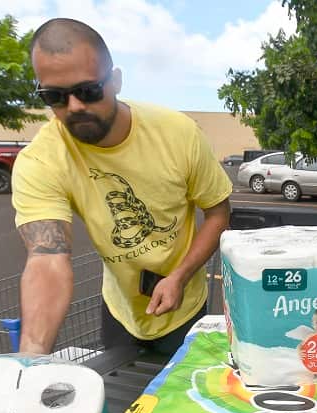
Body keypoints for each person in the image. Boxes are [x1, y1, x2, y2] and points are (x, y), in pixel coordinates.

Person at [12, 18, 232, 357]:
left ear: (114, 80)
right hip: (120, 310)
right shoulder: (41, 159)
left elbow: (218, 213)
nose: (74, 107)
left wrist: (180, 277)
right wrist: (31, 356)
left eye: (88, 91)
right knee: (125, 401)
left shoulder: (177, 132)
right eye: (54, 96)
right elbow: (46, 259)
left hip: (184, 304)